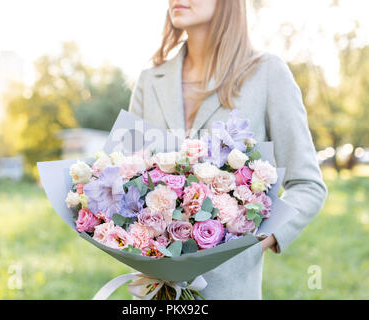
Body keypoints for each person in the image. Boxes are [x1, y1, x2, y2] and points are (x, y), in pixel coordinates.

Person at [128, 0, 328, 299]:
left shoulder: (267, 73)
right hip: (153, 294)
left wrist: (254, 241)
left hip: (231, 289)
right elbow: (127, 180)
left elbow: (307, 184)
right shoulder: (149, 80)